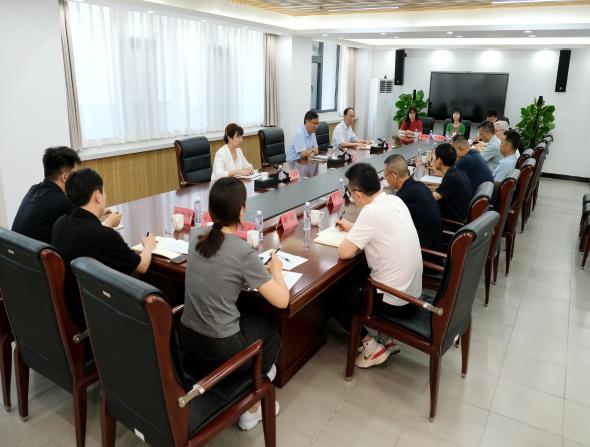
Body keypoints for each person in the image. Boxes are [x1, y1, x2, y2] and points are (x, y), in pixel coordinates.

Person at [180, 177, 289, 431]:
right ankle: (253, 401)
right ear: (241, 210)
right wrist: (276, 270)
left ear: (211, 209)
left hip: (187, 341)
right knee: (269, 327)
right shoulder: (243, 252)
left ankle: (245, 382)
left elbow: (217, 267)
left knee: (248, 313)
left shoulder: (196, 235)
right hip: (220, 349)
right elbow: (282, 300)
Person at [334, 163, 423, 368]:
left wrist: (352, 233)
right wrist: (354, 228)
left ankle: (371, 348)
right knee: (358, 274)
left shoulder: (370, 212)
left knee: (337, 297)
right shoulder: (394, 200)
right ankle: (387, 337)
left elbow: (344, 252)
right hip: (412, 293)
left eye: (350, 191)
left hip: (396, 301)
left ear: (357, 194)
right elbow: (380, 230)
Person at [52, 168, 156, 329]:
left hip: (74, 308)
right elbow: (141, 266)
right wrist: (149, 245)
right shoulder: (105, 236)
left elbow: (87, 235)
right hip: (100, 314)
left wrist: (105, 223)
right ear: (98, 195)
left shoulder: (60, 224)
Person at [12, 147, 85, 243]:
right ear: (65, 177)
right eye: (74, 174)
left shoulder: (34, 189)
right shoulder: (61, 202)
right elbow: (86, 231)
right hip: (35, 252)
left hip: (17, 250)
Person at [383, 154, 442, 250]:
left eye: (386, 176)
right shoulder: (420, 185)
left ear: (393, 176)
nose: (386, 179)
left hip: (425, 252)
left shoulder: (403, 196)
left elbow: (389, 226)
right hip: (435, 243)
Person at [431, 143, 474, 222]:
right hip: (464, 217)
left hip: (455, 222)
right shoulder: (457, 172)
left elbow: (432, 198)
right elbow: (443, 189)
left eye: (434, 157)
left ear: (439, 160)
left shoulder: (451, 177)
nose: (433, 159)